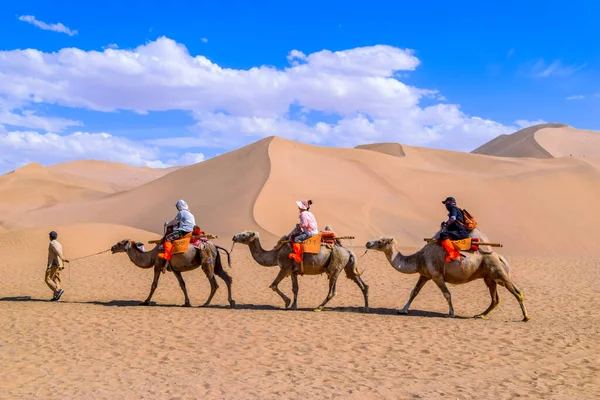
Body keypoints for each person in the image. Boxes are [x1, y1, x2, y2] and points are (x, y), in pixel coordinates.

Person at [289, 200, 319, 266]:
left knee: (296, 239)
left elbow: (305, 224)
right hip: (314, 231)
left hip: (310, 233)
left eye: (299, 206)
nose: (298, 207)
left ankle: (298, 256)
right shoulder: (309, 213)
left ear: (301, 207)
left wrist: (299, 225)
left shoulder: (303, 214)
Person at [439, 197, 469, 262]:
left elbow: (452, 218)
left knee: (443, 235)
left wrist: (445, 224)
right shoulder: (458, 210)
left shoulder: (453, 208)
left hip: (460, 232)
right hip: (461, 232)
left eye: (446, 203)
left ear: (451, 203)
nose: (446, 206)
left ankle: (453, 254)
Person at [46, 231, 69, 301]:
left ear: (50, 236)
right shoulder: (59, 243)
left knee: (48, 279)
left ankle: (57, 291)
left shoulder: (52, 243)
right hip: (59, 264)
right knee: (56, 280)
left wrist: (63, 258)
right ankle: (56, 297)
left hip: (53, 264)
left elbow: (57, 251)